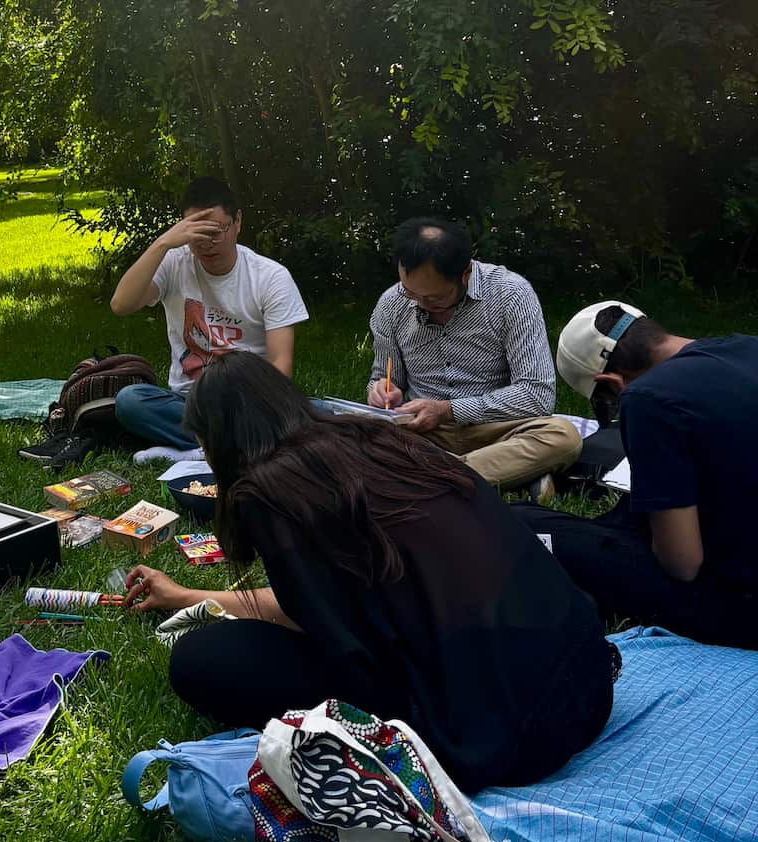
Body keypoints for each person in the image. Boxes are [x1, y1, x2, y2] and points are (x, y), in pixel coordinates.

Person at [124, 352, 616, 794]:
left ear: (222, 443)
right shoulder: (374, 437)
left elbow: (337, 637)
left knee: (202, 659)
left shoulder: (270, 494)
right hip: (583, 684)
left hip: (504, 730)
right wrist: (187, 595)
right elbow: (319, 602)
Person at [514, 302, 758, 650]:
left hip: (740, 607)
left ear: (611, 382)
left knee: (522, 521)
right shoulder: (747, 345)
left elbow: (683, 564)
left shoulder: (649, 399)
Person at [365, 217, 579, 498]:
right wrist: (380, 390)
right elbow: (384, 377)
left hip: (498, 428)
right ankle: (505, 476)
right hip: (423, 432)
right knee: (341, 436)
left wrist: (448, 410)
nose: (419, 304)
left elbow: (536, 394)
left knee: (563, 437)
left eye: (434, 298)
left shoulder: (510, 294)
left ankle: (429, 477)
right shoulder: (392, 303)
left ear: (465, 273)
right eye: (410, 291)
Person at [108, 176, 308, 450]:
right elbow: (121, 304)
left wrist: (252, 411)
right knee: (130, 401)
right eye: (196, 235)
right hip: (190, 402)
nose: (206, 244)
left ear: (237, 222)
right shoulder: (175, 263)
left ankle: (203, 448)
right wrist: (163, 243)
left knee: (317, 411)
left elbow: (280, 367)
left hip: (250, 401)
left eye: (215, 232)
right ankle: (238, 446)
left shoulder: (270, 277)